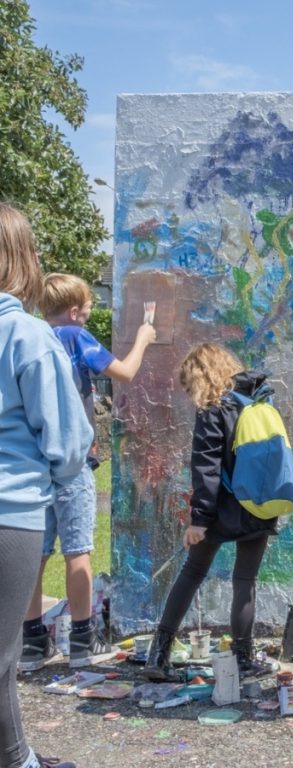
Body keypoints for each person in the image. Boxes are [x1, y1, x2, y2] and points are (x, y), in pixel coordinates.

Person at [20, 273, 156, 672]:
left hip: (35, 460)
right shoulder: (75, 337)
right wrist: (144, 337)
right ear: (76, 312)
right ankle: (83, 639)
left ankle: (31, 643)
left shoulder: (36, 337)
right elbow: (125, 372)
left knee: (38, 554)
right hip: (72, 462)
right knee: (78, 550)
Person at [1, 203, 93, 768]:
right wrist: (60, 477)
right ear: (19, 259)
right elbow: (67, 441)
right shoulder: (28, 335)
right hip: (10, 512)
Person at [144, 343, 278, 682]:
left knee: (192, 572)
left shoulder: (212, 409)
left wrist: (199, 520)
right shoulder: (260, 400)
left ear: (200, 378)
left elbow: (206, 467)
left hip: (218, 508)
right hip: (257, 505)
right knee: (245, 581)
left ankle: (159, 654)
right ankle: (244, 661)